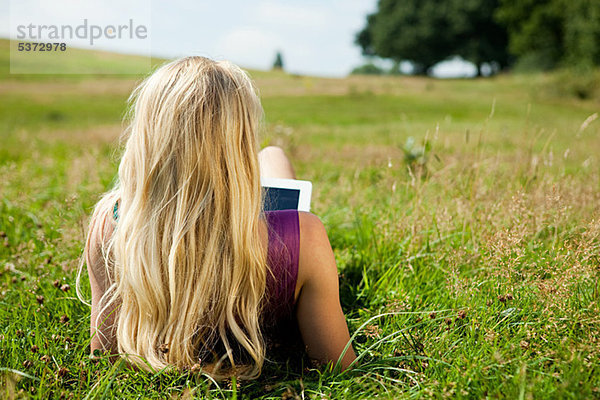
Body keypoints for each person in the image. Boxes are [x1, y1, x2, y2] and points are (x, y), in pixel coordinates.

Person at [76, 56, 356, 380]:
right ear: (240, 144)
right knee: (274, 156)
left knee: (273, 157)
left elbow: (104, 353)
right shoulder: (305, 235)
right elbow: (339, 367)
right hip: (264, 239)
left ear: (146, 139)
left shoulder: (109, 222)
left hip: (158, 222)